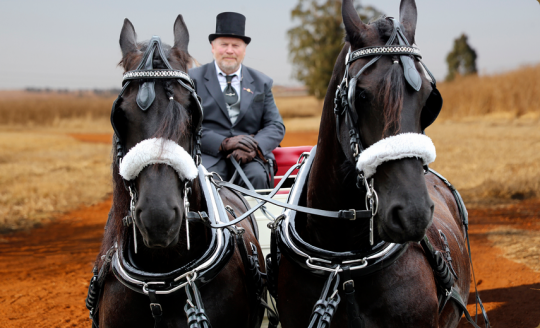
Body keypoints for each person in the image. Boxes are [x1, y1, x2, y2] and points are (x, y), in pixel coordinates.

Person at [189, 12, 285, 189]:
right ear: (212, 46)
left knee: (257, 177)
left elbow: (276, 126)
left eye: (236, 45)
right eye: (224, 44)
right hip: (209, 156)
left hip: (251, 158)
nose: (230, 50)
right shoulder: (192, 80)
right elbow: (187, 125)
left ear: (244, 49)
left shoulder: (261, 82)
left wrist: (253, 146)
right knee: (205, 184)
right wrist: (223, 143)